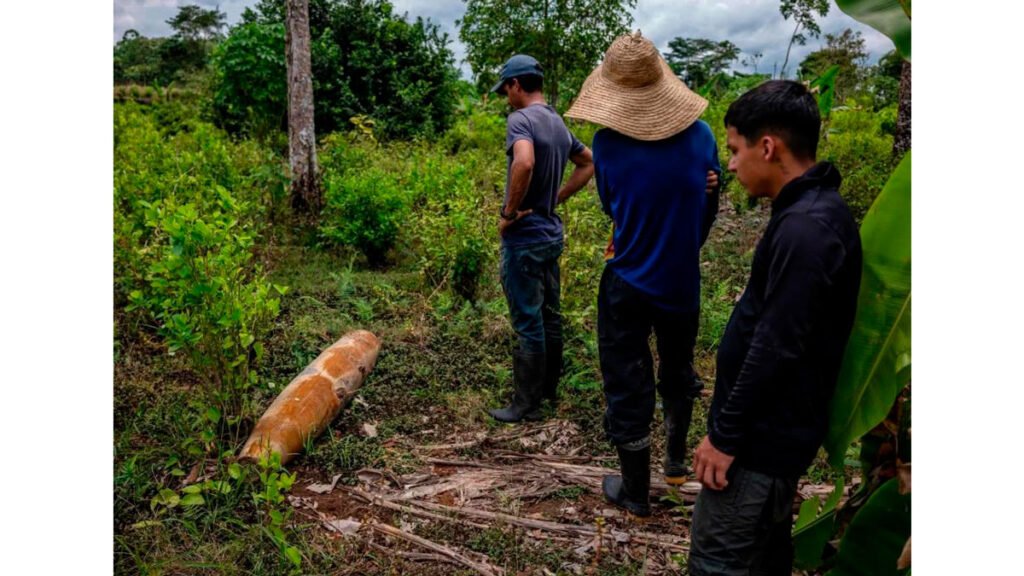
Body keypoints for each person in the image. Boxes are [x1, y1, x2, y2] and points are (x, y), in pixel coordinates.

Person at [688, 80, 863, 575]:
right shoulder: (808, 213)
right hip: (769, 437)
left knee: (719, 562)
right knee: (763, 560)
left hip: (758, 446)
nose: (733, 164)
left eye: (737, 149)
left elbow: (777, 345)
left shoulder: (807, 228)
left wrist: (724, 437)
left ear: (768, 146)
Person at [563, 32, 722, 517]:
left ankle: (635, 490)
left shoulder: (607, 144)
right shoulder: (704, 137)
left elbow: (613, 206)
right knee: (678, 369)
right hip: (682, 281)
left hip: (627, 281)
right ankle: (675, 465)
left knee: (627, 380)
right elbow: (708, 207)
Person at [488, 54, 595, 423]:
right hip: (551, 235)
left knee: (528, 321)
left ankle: (525, 405)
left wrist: (508, 214)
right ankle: (547, 391)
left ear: (517, 85)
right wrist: (555, 198)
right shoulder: (556, 122)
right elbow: (589, 162)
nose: (506, 97)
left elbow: (524, 162)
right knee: (550, 315)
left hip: (525, 239)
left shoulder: (520, 120)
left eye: (506, 89)